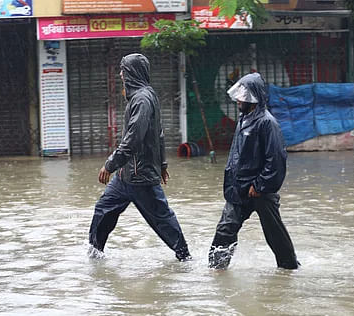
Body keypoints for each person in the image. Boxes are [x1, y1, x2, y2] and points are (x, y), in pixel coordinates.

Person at [88, 53, 191, 262]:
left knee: (162, 219)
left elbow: (134, 138)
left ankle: (185, 258)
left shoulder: (143, 99)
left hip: (140, 175)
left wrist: (110, 164)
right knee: (104, 209)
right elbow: (158, 133)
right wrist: (162, 164)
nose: (120, 75)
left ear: (131, 73)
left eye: (123, 70)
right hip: (125, 175)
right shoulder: (141, 97)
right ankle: (94, 255)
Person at [208, 72, 299, 270]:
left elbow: (276, 159)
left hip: (259, 190)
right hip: (239, 189)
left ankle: (289, 268)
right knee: (225, 229)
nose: (239, 100)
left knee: (274, 233)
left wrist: (260, 185)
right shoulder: (244, 119)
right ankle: (216, 269)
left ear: (253, 98)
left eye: (244, 96)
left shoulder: (267, 122)